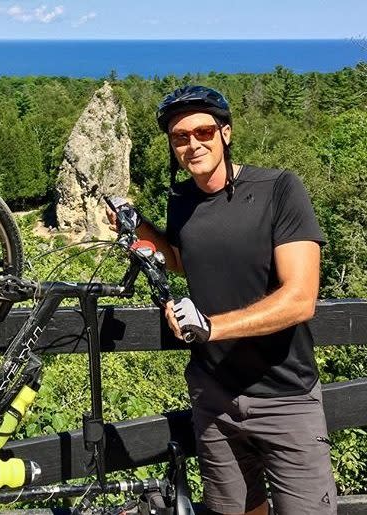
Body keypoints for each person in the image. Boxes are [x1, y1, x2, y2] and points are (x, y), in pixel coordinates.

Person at [107, 85, 337, 515]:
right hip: (213, 397)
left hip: (285, 397)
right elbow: (180, 259)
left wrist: (212, 326)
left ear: (226, 133)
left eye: (203, 132)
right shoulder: (181, 201)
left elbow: (301, 297)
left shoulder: (280, 189)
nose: (192, 144)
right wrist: (140, 228)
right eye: (180, 137)